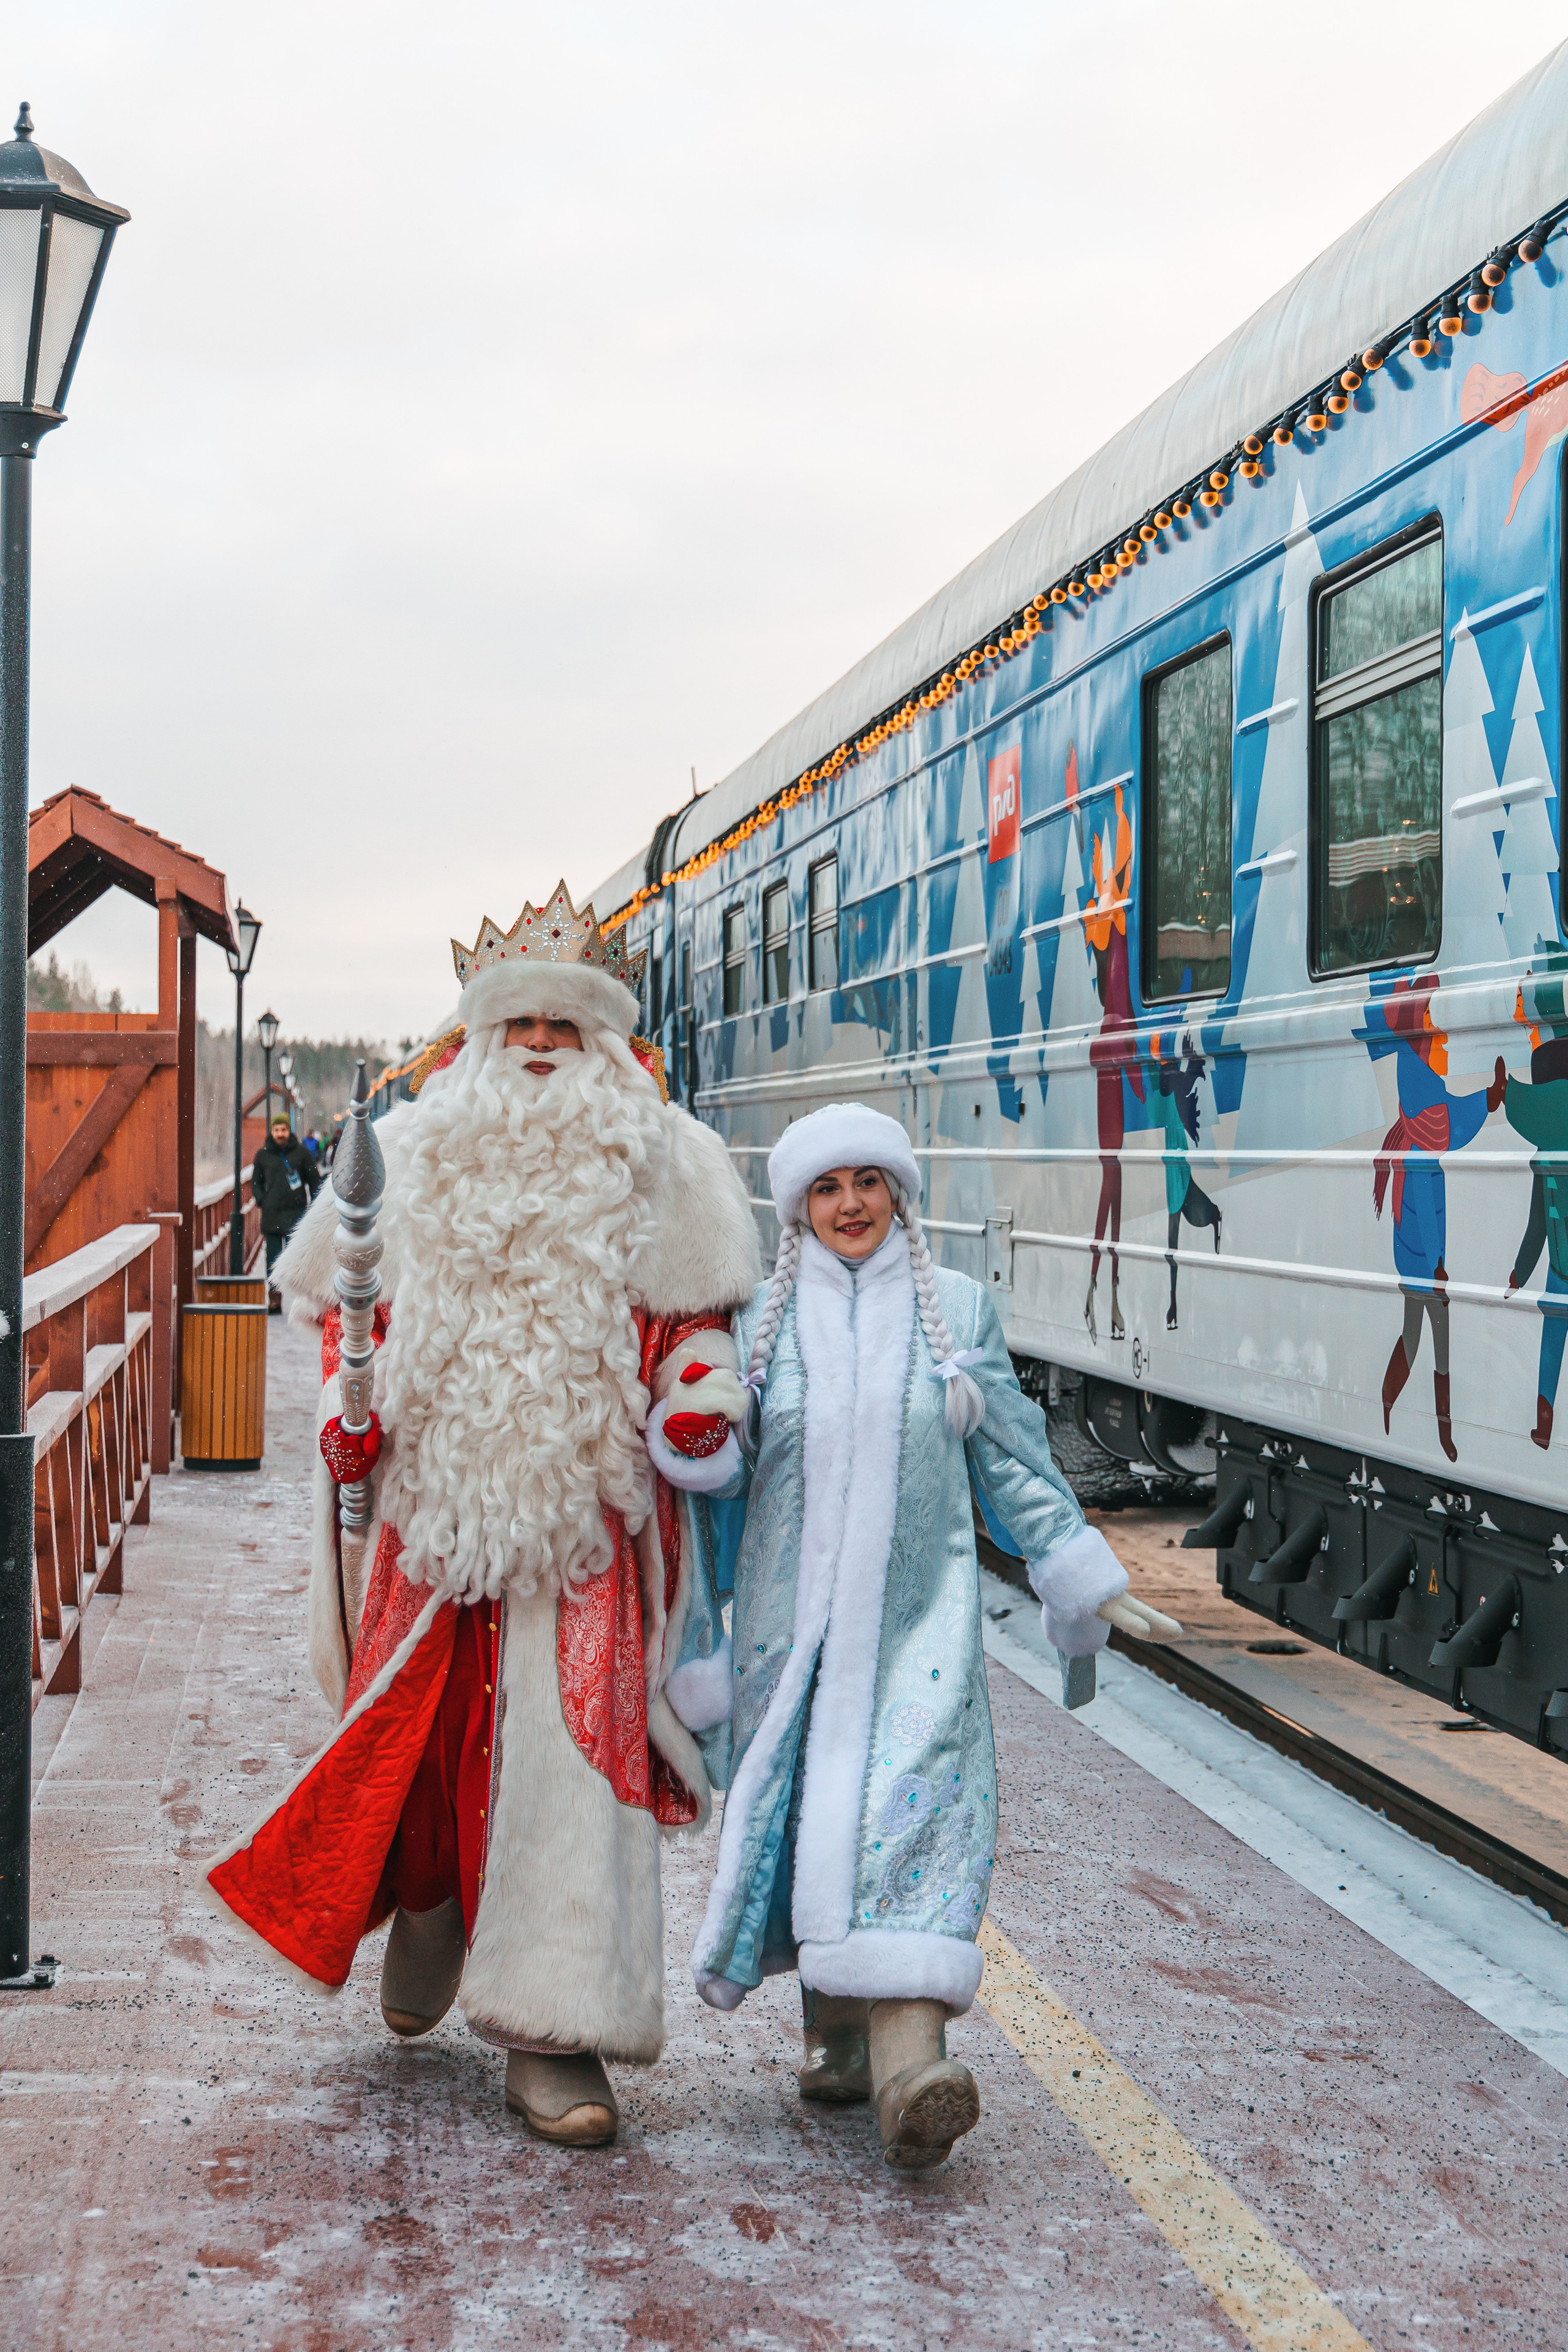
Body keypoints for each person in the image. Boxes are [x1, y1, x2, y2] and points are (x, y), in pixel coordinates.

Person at [206, 883, 761, 2147]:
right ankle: (429, 1910)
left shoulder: (664, 1161)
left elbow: (693, 1330)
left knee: (571, 1763)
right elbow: (352, 1321)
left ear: (608, 1042)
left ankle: (554, 2034)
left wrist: (693, 1396)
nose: (543, 1043)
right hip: (432, 1518)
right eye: (519, 1023)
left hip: (583, 1526)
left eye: (567, 1026)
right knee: (415, 1741)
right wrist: (352, 1422)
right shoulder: (412, 1154)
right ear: (477, 1039)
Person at [651, 1102, 1177, 2173]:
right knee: (813, 1823)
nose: (852, 1205)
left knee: (911, 1820)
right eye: (829, 1187)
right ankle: (836, 2037)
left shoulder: (961, 1313)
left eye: (870, 1183)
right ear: (800, 1203)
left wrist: (1081, 1570)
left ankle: (911, 2067)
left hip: (920, 1636)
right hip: (788, 1642)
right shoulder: (756, 1324)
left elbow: (1016, 1465)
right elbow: (718, 1501)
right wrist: (696, 1451)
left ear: (900, 1193)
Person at [251, 1111, 322, 1311]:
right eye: (276, 1130)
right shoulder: (263, 1155)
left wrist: (315, 1206)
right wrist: (261, 1199)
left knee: (299, 1257)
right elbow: (256, 1182)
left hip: (296, 1213)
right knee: (272, 1258)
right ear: (272, 1132)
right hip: (272, 1214)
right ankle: (274, 1299)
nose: (279, 1134)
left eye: (283, 1130)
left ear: (289, 1131)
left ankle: (304, 1301)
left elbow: (314, 1180)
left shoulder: (301, 1153)